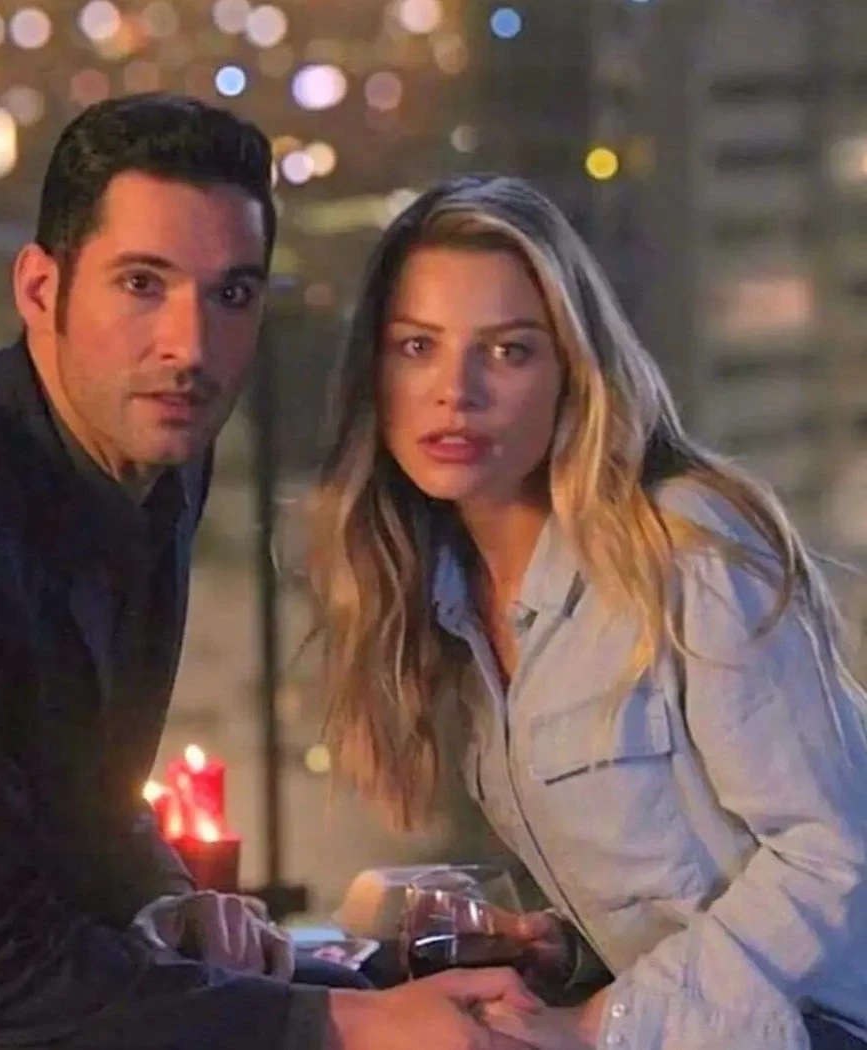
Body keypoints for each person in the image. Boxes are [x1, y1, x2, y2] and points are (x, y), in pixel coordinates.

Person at [0, 97, 533, 1050]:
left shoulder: (155, 445)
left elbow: (78, 775)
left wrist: (164, 896)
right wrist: (349, 1024)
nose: (191, 347)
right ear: (41, 290)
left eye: (232, 294)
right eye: (143, 284)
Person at [304, 173, 867, 1050]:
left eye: (508, 350)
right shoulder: (455, 599)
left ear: (573, 371)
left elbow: (831, 852)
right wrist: (565, 949)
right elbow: (683, 884)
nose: (456, 390)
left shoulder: (684, 545)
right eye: (417, 346)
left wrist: (597, 1021)